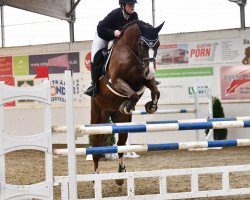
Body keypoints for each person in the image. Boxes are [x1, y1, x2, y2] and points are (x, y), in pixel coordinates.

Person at [84, 0, 138, 97]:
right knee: (95, 57)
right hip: (103, 36)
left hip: (117, 39)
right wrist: (113, 32)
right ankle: (94, 86)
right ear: (123, 6)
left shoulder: (134, 16)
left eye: (133, 4)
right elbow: (100, 27)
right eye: (130, 4)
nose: (132, 6)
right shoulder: (115, 13)